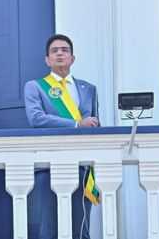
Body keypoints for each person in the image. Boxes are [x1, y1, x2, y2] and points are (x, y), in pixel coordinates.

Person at [23, 34, 99, 239]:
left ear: (72, 58)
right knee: (47, 227)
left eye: (64, 50)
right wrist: (76, 124)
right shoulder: (35, 86)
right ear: (47, 59)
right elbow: (36, 118)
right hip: (48, 164)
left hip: (81, 165)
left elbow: (94, 125)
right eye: (54, 51)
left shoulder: (88, 89)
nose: (59, 53)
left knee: (80, 226)